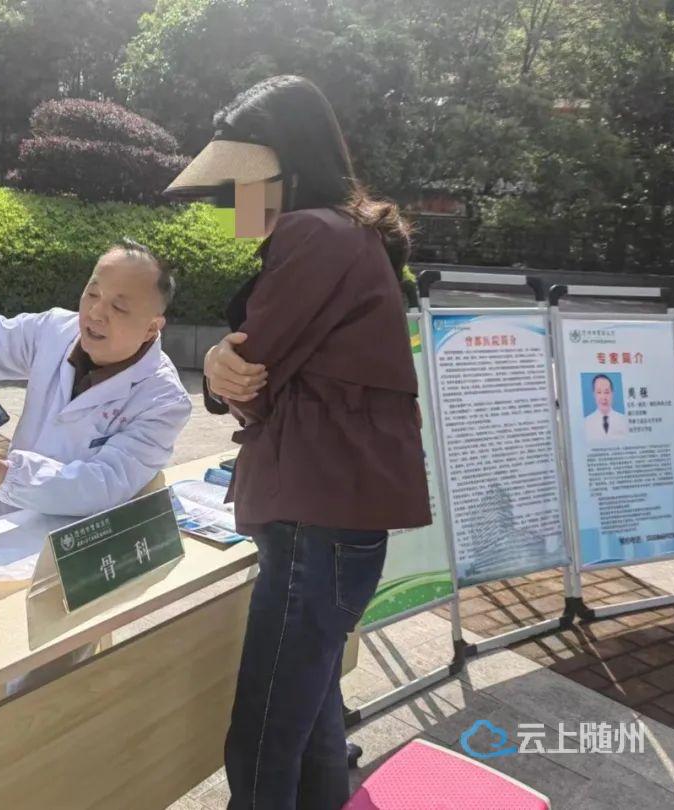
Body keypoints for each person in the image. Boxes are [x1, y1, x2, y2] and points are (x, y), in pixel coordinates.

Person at [164, 76, 431, 810]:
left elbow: (247, 373)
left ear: (286, 166)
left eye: (239, 186)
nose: (231, 204)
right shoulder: (352, 235)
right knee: (311, 721)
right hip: (340, 526)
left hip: (314, 529)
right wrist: (223, 367)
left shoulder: (311, 234)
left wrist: (220, 367)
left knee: (261, 741)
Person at [0, 239, 192, 519]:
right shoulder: (53, 330)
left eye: (118, 307)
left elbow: (102, 485)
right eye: (92, 294)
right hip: (3, 521)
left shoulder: (164, 401)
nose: (95, 313)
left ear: (151, 328)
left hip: (77, 537)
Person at [584, 373, 628, 441]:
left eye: (606, 392)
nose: (603, 397)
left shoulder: (623, 420)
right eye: (599, 392)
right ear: (594, 394)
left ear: (612, 393)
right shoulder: (586, 423)